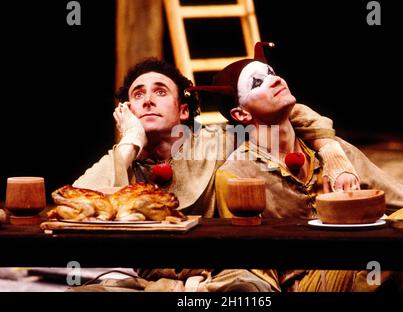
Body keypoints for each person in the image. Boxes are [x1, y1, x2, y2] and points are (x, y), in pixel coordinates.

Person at [69, 56, 360, 291]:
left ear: (183, 111)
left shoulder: (217, 142)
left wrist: (330, 150)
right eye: (138, 94)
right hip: (154, 285)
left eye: (160, 92)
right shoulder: (121, 158)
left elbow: (285, 111)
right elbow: (80, 203)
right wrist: (129, 141)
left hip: (223, 280)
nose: (147, 100)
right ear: (126, 110)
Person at [186, 42, 403, 292]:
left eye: (271, 73)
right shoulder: (238, 174)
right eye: (256, 83)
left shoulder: (335, 152)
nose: (275, 80)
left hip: (358, 265)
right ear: (241, 115)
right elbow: (253, 265)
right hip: (302, 283)